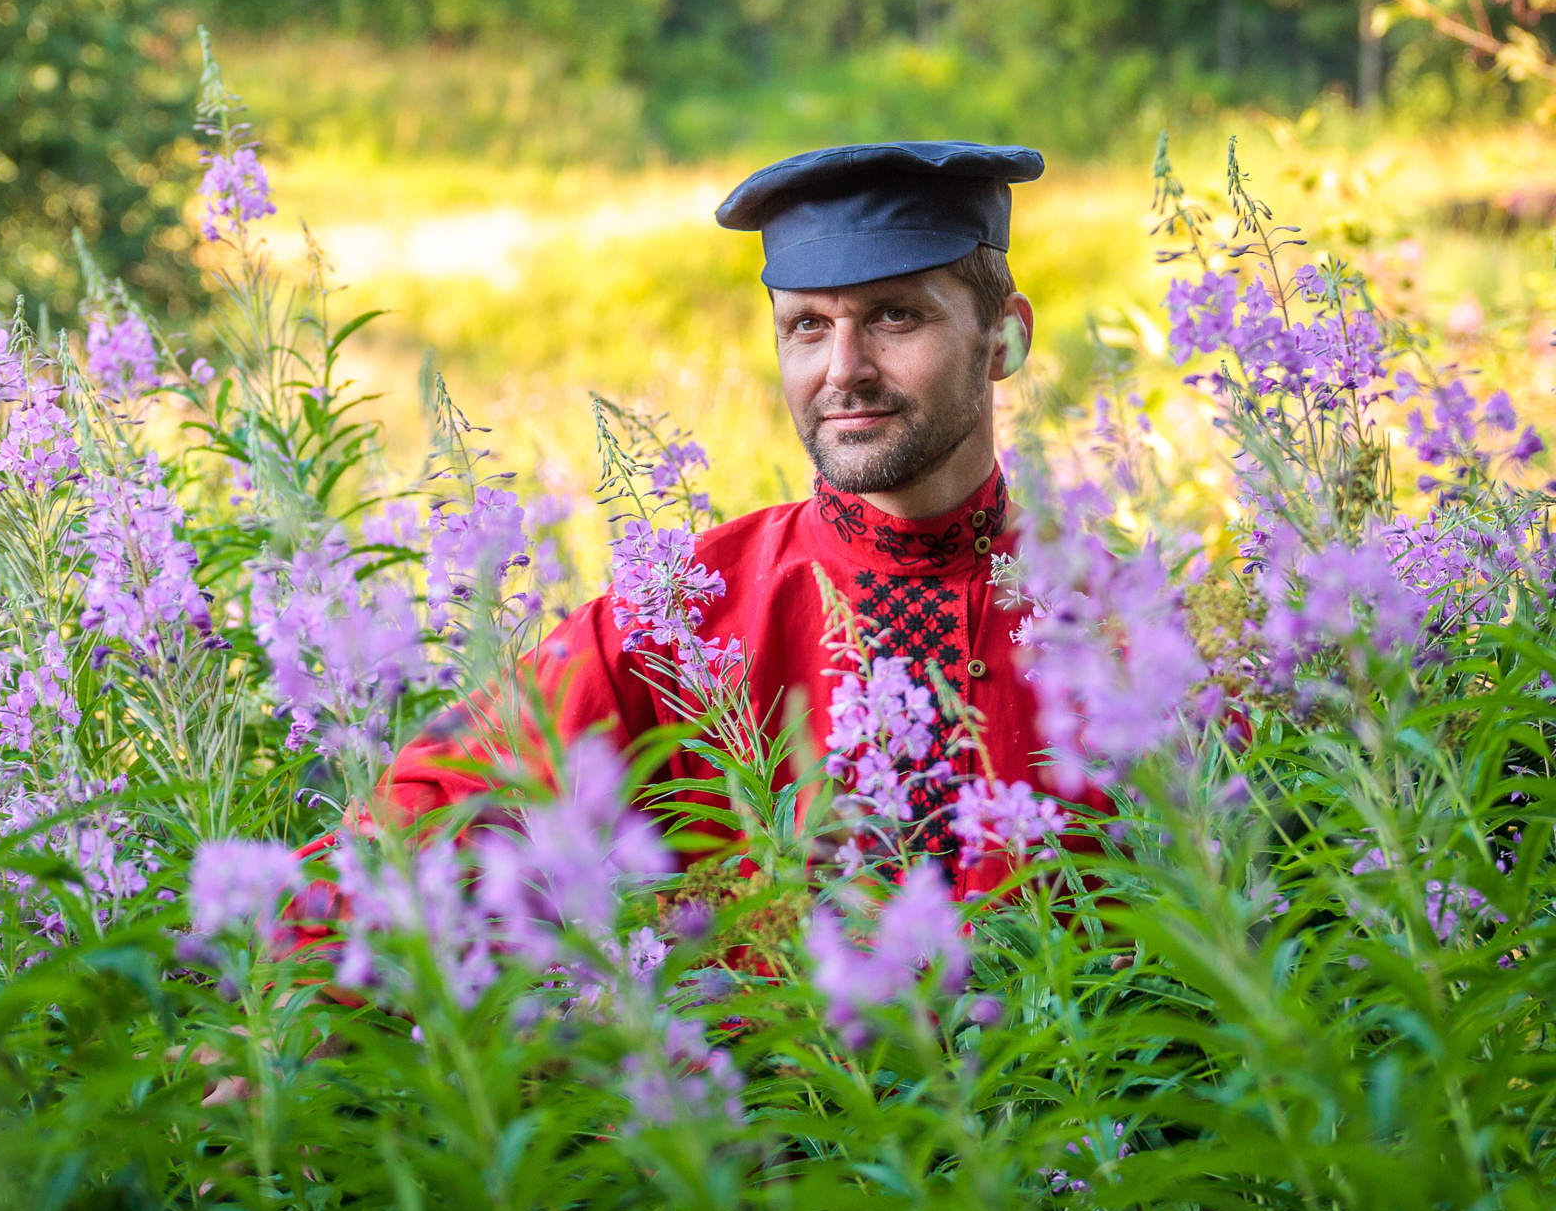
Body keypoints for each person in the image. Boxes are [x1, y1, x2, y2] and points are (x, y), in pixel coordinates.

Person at [362, 141, 1104, 899]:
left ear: (1004, 337)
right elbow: (426, 809)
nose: (844, 369)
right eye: (808, 326)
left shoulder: (1119, 623)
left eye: (895, 315)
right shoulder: (682, 616)